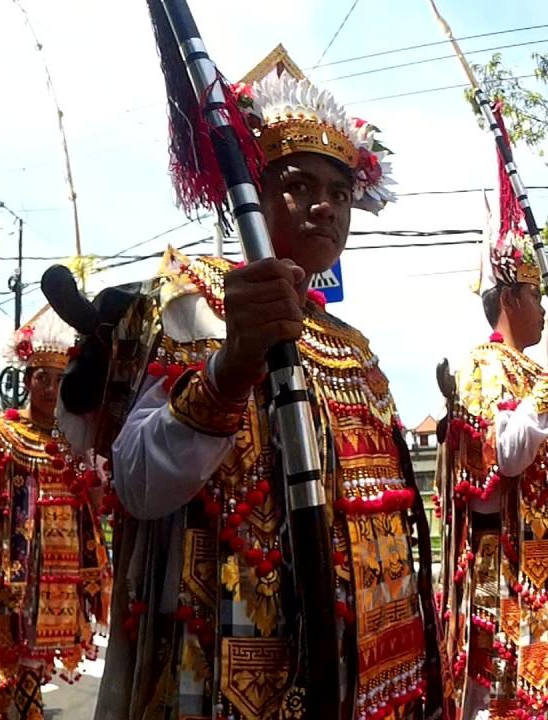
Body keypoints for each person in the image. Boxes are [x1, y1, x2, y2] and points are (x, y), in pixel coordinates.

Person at [100, 52, 440, 718]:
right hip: (228, 666)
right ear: (254, 194)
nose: (325, 206)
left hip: (356, 675)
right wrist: (232, 366)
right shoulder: (196, 298)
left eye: (340, 192)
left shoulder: (355, 348)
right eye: (298, 185)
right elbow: (138, 481)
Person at [0, 306, 110, 720]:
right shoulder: (3, 432)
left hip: (62, 569)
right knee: (13, 657)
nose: (51, 388)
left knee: (34, 661)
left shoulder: (73, 439)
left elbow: (92, 500)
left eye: (60, 380)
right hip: (15, 570)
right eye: (43, 378)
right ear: (26, 381)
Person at [438, 202, 548, 716]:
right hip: (505, 561)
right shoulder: (484, 366)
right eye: (537, 297)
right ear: (510, 298)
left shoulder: (531, 372)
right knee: (500, 696)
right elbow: (504, 458)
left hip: (536, 555)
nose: (544, 310)